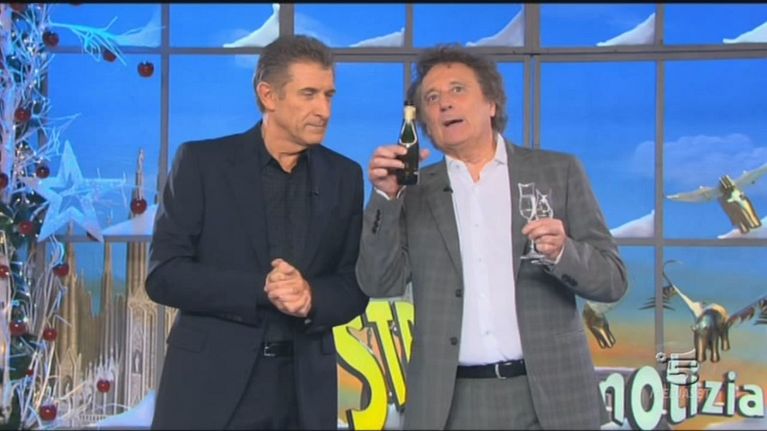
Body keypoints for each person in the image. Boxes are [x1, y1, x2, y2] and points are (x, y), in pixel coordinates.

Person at [356, 45, 628, 430]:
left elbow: (613, 281)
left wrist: (563, 253)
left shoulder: (558, 172)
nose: (445, 103)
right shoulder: (413, 191)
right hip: (450, 403)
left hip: (552, 398)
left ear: (491, 104)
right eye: (431, 98)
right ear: (425, 123)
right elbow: (378, 282)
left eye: (457, 90)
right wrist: (385, 197)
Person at [146, 34, 369, 430]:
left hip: (304, 393)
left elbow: (353, 285)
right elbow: (164, 276)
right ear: (269, 95)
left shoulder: (345, 176)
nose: (324, 110)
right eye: (309, 94)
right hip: (209, 389)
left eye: (329, 95)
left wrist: (311, 296)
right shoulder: (202, 163)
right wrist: (261, 288)